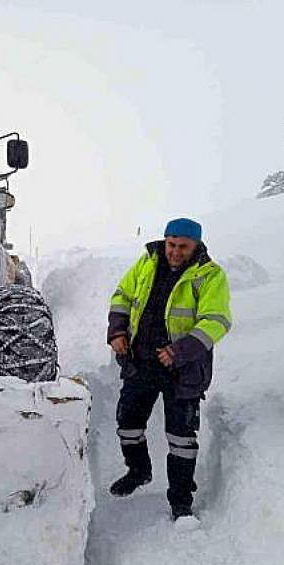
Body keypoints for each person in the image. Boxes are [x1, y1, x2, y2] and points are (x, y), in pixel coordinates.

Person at [107, 218, 232, 522]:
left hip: (183, 370)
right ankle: (138, 471)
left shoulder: (210, 275)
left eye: (183, 247)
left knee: (181, 438)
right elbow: (122, 296)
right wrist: (117, 332)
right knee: (128, 423)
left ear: (195, 246)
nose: (175, 252)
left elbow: (216, 320)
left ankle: (180, 501)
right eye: (171, 245)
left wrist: (180, 351)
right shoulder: (147, 263)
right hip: (141, 362)